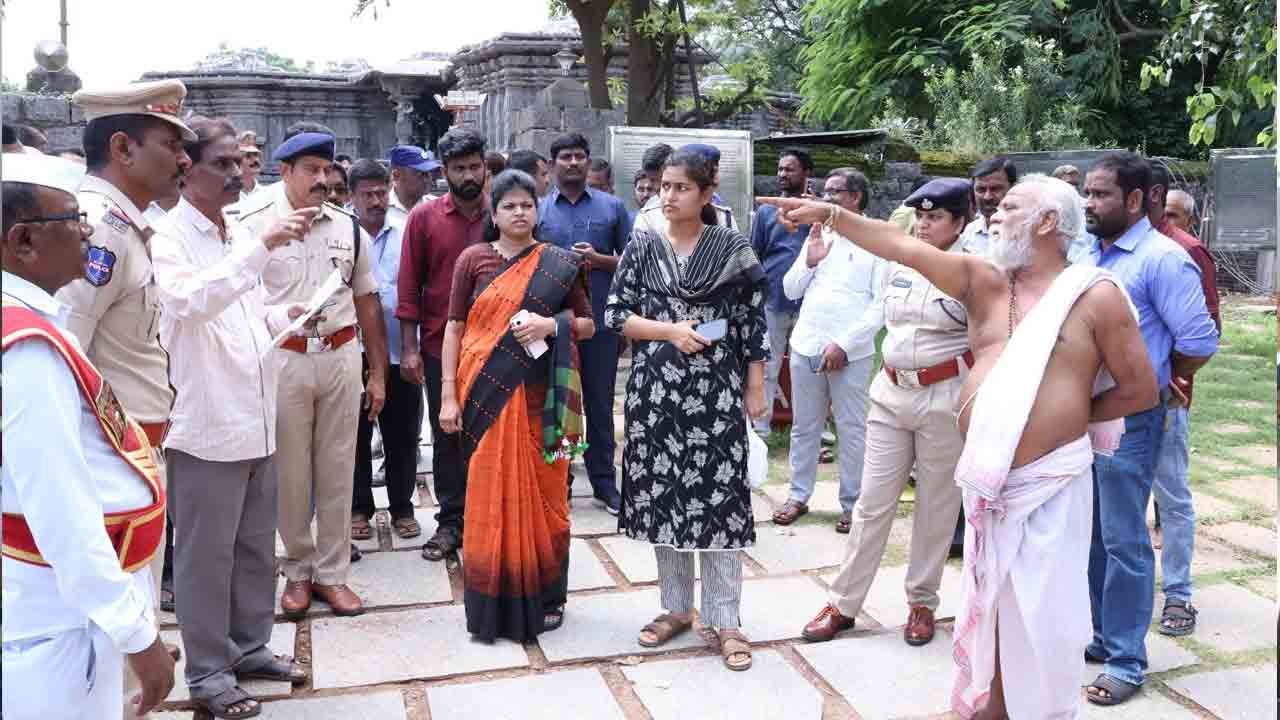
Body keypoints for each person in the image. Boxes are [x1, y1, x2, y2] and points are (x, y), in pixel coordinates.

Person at [761, 173, 1160, 719]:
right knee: (990, 606)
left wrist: (1055, 420)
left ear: (1047, 222)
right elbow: (898, 243)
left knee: (1042, 617)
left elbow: (1139, 390)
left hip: (1051, 484)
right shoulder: (984, 281)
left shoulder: (1095, 296)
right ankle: (989, 707)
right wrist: (830, 215)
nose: (993, 214)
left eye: (1010, 206)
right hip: (989, 483)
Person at [2, 153, 176, 720]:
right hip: (57, 623)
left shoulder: (36, 322)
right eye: (72, 219)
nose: (87, 230)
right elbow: (62, 509)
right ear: (24, 241)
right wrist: (137, 636)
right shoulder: (28, 347)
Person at [150, 116, 311, 719]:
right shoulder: (168, 237)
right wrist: (261, 248)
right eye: (224, 164)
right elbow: (190, 303)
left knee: (251, 550)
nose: (239, 175)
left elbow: (244, 308)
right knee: (204, 558)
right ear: (187, 168)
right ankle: (208, 672)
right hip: (207, 423)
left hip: (256, 416)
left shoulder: (228, 231)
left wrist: (284, 314)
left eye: (243, 163)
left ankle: (248, 648)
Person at [55, 80, 194, 713]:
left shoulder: (127, 226)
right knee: (110, 649)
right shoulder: (98, 232)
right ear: (123, 146)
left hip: (133, 454)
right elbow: (63, 355)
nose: (183, 159)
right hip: (108, 466)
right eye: (171, 143)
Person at [606, 147, 770, 672]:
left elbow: (752, 324)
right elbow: (615, 314)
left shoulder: (731, 248)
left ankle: (726, 619)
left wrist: (756, 386)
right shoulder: (642, 246)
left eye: (680, 187)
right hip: (656, 393)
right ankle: (675, 607)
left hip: (715, 393)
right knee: (666, 500)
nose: (668, 196)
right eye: (662, 186)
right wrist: (669, 331)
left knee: (719, 502)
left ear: (705, 192)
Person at [796, 178, 972, 649]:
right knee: (871, 504)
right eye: (921, 215)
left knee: (936, 506)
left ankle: (921, 602)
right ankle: (844, 603)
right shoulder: (901, 259)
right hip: (891, 395)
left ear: (960, 222)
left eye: (936, 217)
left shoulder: (972, 269)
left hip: (944, 396)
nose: (924, 224)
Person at [1079, 151, 1218, 706]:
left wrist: (1166, 379)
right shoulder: (1088, 253)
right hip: (1081, 417)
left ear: (1136, 200)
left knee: (1124, 541)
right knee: (1089, 535)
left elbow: (1200, 341)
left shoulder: (1163, 259)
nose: (1088, 204)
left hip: (1132, 421)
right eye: (1086, 193)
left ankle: (1126, 661)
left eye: (1100, 195)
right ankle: (1099, 634)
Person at [238, 123, 389, 619]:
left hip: (341, 355)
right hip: (284, 358)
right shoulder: (254, 222)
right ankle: (296, 571)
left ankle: (333, 574)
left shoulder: (346, 227)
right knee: (290, 472)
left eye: (327, 170)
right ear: (283, 172)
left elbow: (366, 300)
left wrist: (377, 372)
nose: (322, 180)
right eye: (311, 171)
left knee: (338, 468)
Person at [438, 169, 595, 641]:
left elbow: (587, 324)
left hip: (539, 398)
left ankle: (546, 596)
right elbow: (454, 328)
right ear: (495, 212)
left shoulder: (558, 263)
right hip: (483, 395)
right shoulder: (474, 260)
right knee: (488, 496)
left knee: (546, 497)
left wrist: (551, 327)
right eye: (509, 205)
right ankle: (493, 603)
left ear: (537, 209)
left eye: (527, 204)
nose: (519, 212)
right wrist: (447, 393)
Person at [398, 127, 489, 562]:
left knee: (496, 435)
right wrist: (410, 348)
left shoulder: (504, 212)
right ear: (445, 172)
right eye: (459, 168)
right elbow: (409, 285)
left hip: (498, 348)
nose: (468, 175)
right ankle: (452, 522)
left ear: (485, 166)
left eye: (474, 166)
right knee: (447, 432)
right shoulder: (425, 217)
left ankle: (492, 520)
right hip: (440, 349)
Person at [780, 168, 882, 533]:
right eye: (825, 192)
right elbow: (790, 289)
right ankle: (797, 495)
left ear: (854, 198)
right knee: (804, 428)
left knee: (851, 429)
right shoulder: (820, 234)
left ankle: (853, 504)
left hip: (849, 352)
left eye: (834, 193)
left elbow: (880, 306)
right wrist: (810, 260)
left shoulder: (876, 239)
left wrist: (844, 344)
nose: (825, 199)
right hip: (806, 343)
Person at [537, 131, 632, 513]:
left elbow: (631, 261)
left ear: (588, 162)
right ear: (551, 165)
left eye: (579, 156)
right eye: (565, 157)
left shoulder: (612, 208)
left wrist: (599, 259)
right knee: (557, 403)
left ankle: (605, 483)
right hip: (550, 325)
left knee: (599, 403)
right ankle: (559, 480)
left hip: (601, 323)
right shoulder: (539, 211)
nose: (573, 162)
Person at [1146, 163, 1221, 638]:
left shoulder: (1187, 252)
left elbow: (1206, 332)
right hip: (1113, 405)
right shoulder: (1104, 249)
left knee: (1171, 498)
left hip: (1167, 402)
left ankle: (1178, 593)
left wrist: (1173, 378)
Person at [347, 159, 423, 542]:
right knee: (355, 435)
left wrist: (414, 347)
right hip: (351, 354)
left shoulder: (407, 229)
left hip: (401, 351)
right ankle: (359, 506)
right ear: (352, 197)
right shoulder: (341, 233)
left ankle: (402, 506)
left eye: (381, 193)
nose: (376, 201)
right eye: (368, 195)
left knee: (403, 433)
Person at [750, 147, 812, 445]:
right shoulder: (764, 213)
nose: (782, 175)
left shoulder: (817, 212)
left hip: (810, 305)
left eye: (789, 169)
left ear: (806, 174)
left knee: (809, 368)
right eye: (780, 169)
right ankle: (761, 426)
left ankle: (813, 426)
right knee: (769, 365)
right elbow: (755, 254)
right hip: (773, 301)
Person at [961, 156, 1017, 255]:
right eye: (981, 189)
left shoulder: (1028, 233)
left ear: (1013, 188)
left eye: (995, 189)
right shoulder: (970, 231)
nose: (987, 197)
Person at [387, 145, 439, 223]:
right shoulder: (380, 209)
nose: (428, 179)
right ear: (396, 175)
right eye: (421, 174)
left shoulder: (437, 207)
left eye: (429, 173)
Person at [236, 131, 269, 206]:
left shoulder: (267, 194)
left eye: (257, 155)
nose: (256, 160)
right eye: (248, 156)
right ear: (237, 161)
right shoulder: (225, 196)